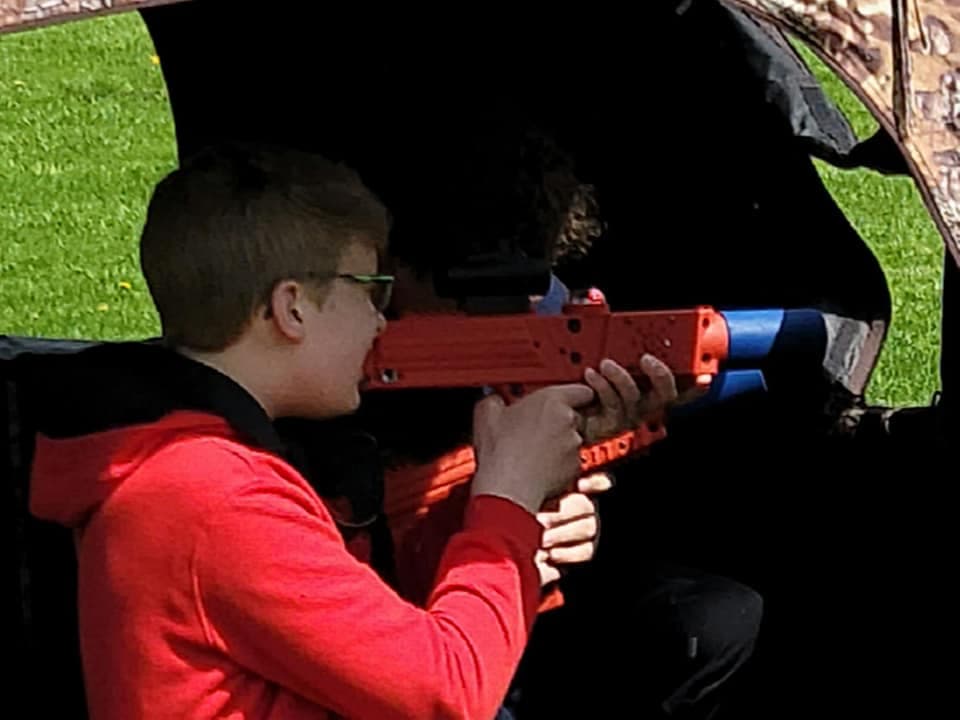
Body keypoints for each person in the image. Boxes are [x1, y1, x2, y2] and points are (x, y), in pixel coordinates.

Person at [27, 142, 609, 720]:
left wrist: (504, 548)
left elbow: (344, 632)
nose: (381, 319)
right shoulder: (212, 498)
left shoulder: (200, 466)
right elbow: (447, 695)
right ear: (293, 308)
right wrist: (504, 501)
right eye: (371, 290)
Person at [279, 121, 765, 719]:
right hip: (395, 629)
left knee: (714, 619)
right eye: (460, 301)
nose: (523, 314)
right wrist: (500, 509)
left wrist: (577, 471)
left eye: (531, 294)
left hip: (494, 592)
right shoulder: (316, 375)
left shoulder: (547, 313)